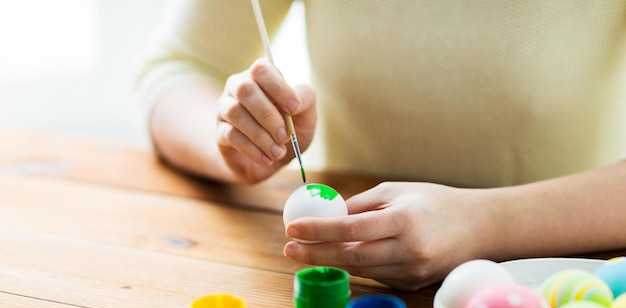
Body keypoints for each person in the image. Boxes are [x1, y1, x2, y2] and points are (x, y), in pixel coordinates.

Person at [135, 0, 626, 291]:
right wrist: (234, 142)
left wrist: (486, 222)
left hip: (568, 286)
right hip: (351, 288)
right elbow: (175, 69)